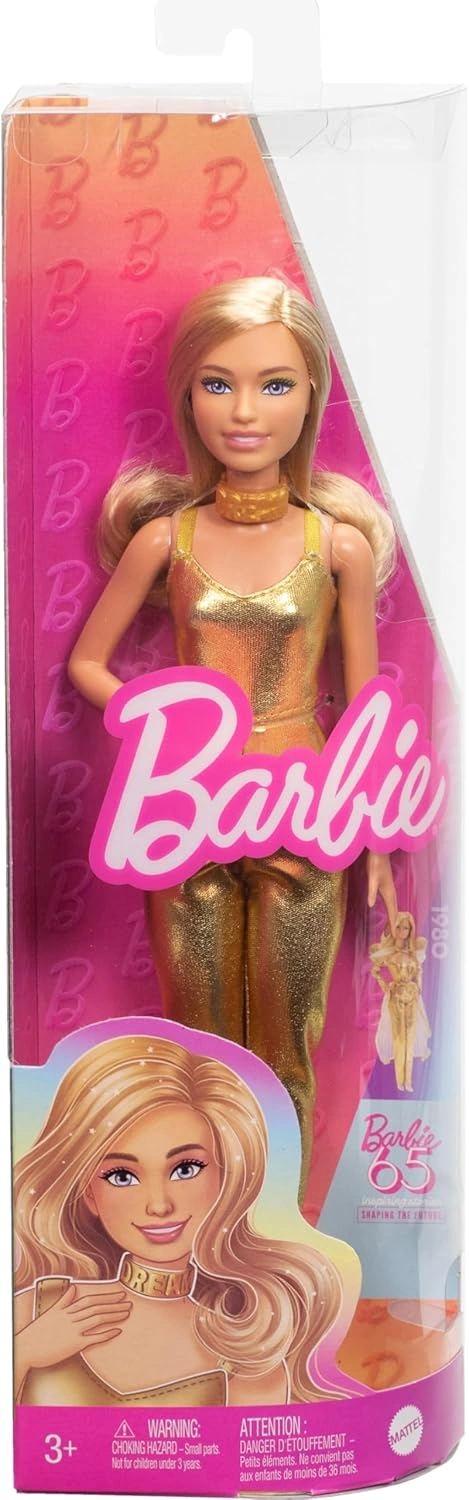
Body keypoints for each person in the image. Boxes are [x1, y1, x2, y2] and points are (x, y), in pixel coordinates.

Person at [68, 276, 398, 1193]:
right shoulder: (165, 540)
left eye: (273, 384)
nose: (244, 411)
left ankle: (283, 1226)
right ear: (187, 396)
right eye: (217, 384)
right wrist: (164, 731)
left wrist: (374, 837)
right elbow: (90, 662)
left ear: (312, 395)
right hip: (187, 815)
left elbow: (361, 703)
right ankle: (205, 1228)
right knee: (197, 1049)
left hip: (301, 815)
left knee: (290, 1040)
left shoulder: (334, 547)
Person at [14, 1033, 352, 1407]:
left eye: (186, 1169)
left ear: (226, 1178)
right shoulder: (39, 1308)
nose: (159, 1205)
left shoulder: (246, 1343)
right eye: (122, 1176)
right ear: (89, 1193)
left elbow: (253, 1443)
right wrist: (24, 1351)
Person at [369, 913, 430, 1091]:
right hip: (395, 997)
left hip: (412, 997)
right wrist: (384, 985)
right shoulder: (388, 954)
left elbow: (419, 973)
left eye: (406, 928)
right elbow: (376, 971)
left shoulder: (414, 953)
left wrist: (418, 988)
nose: (403, 931)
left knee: (409, 1038)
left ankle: (407, 1082)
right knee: (398, 1039)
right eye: (399, 927)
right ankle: (400, 1081)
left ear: (410, 930)